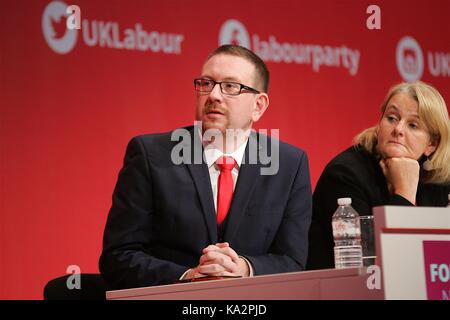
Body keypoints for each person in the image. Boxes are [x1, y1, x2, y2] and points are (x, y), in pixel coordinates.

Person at [99, 44, 312, 289]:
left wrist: (243, 268)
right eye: (206, 83)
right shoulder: (152, 155)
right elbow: (118, 257)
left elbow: (292, 260)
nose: (213, 95)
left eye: (230, 86)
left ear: (259, 105)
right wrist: (190, 276)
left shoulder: (289, 164)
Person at [307, 81, 450, 270]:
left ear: (431, 144)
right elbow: (379, 266)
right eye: (391, 118)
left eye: (413, 125)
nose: (398, 129)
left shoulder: (438, 179)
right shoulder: (345, 174)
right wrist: (404, 193)